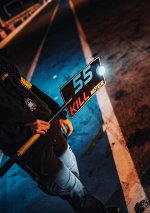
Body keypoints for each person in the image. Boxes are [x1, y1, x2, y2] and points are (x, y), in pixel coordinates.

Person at [0, 55, 119, 213]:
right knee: (72, 188)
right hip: (33, 148)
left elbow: (30, 88)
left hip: (52, 127)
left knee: (74, 177)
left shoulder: (3, 61)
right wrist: (26, 130)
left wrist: (59, 114)